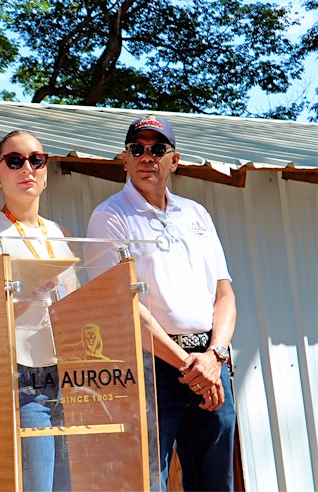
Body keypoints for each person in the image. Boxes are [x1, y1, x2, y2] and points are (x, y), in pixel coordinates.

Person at [85, 115, 237, 491]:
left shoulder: (197, 214)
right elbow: (122, 306)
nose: (147, 156)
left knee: (215, 482)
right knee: (148, 481)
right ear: (124, 159)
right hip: (151, 365)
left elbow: (224, 294)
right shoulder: (109, 216)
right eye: (137, 148)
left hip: (210, 360)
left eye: (158, 149)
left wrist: (214, 357)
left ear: (175, 159)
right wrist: (190, 366)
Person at [0, 130, 76, 492]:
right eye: (15, 161)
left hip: (71, 377)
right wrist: (32, 294)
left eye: (37, 160)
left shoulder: (60, 233)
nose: (27, 168)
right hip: (23, 380)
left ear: (46, 172)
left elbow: (77, 305)